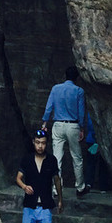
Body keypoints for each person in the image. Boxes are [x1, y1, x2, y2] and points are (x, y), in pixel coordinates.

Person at [41, 65, 89, 195]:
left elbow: (49, 107)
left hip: (58, 124)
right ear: (76, 78)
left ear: (65, 76)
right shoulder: (79, 91)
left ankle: (56, 188)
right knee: (77, 157)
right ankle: (80, 187)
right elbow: (81, 112)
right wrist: (82, 128)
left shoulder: (56, 89)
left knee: (56, 158)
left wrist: (45, 122)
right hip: (73, 125)